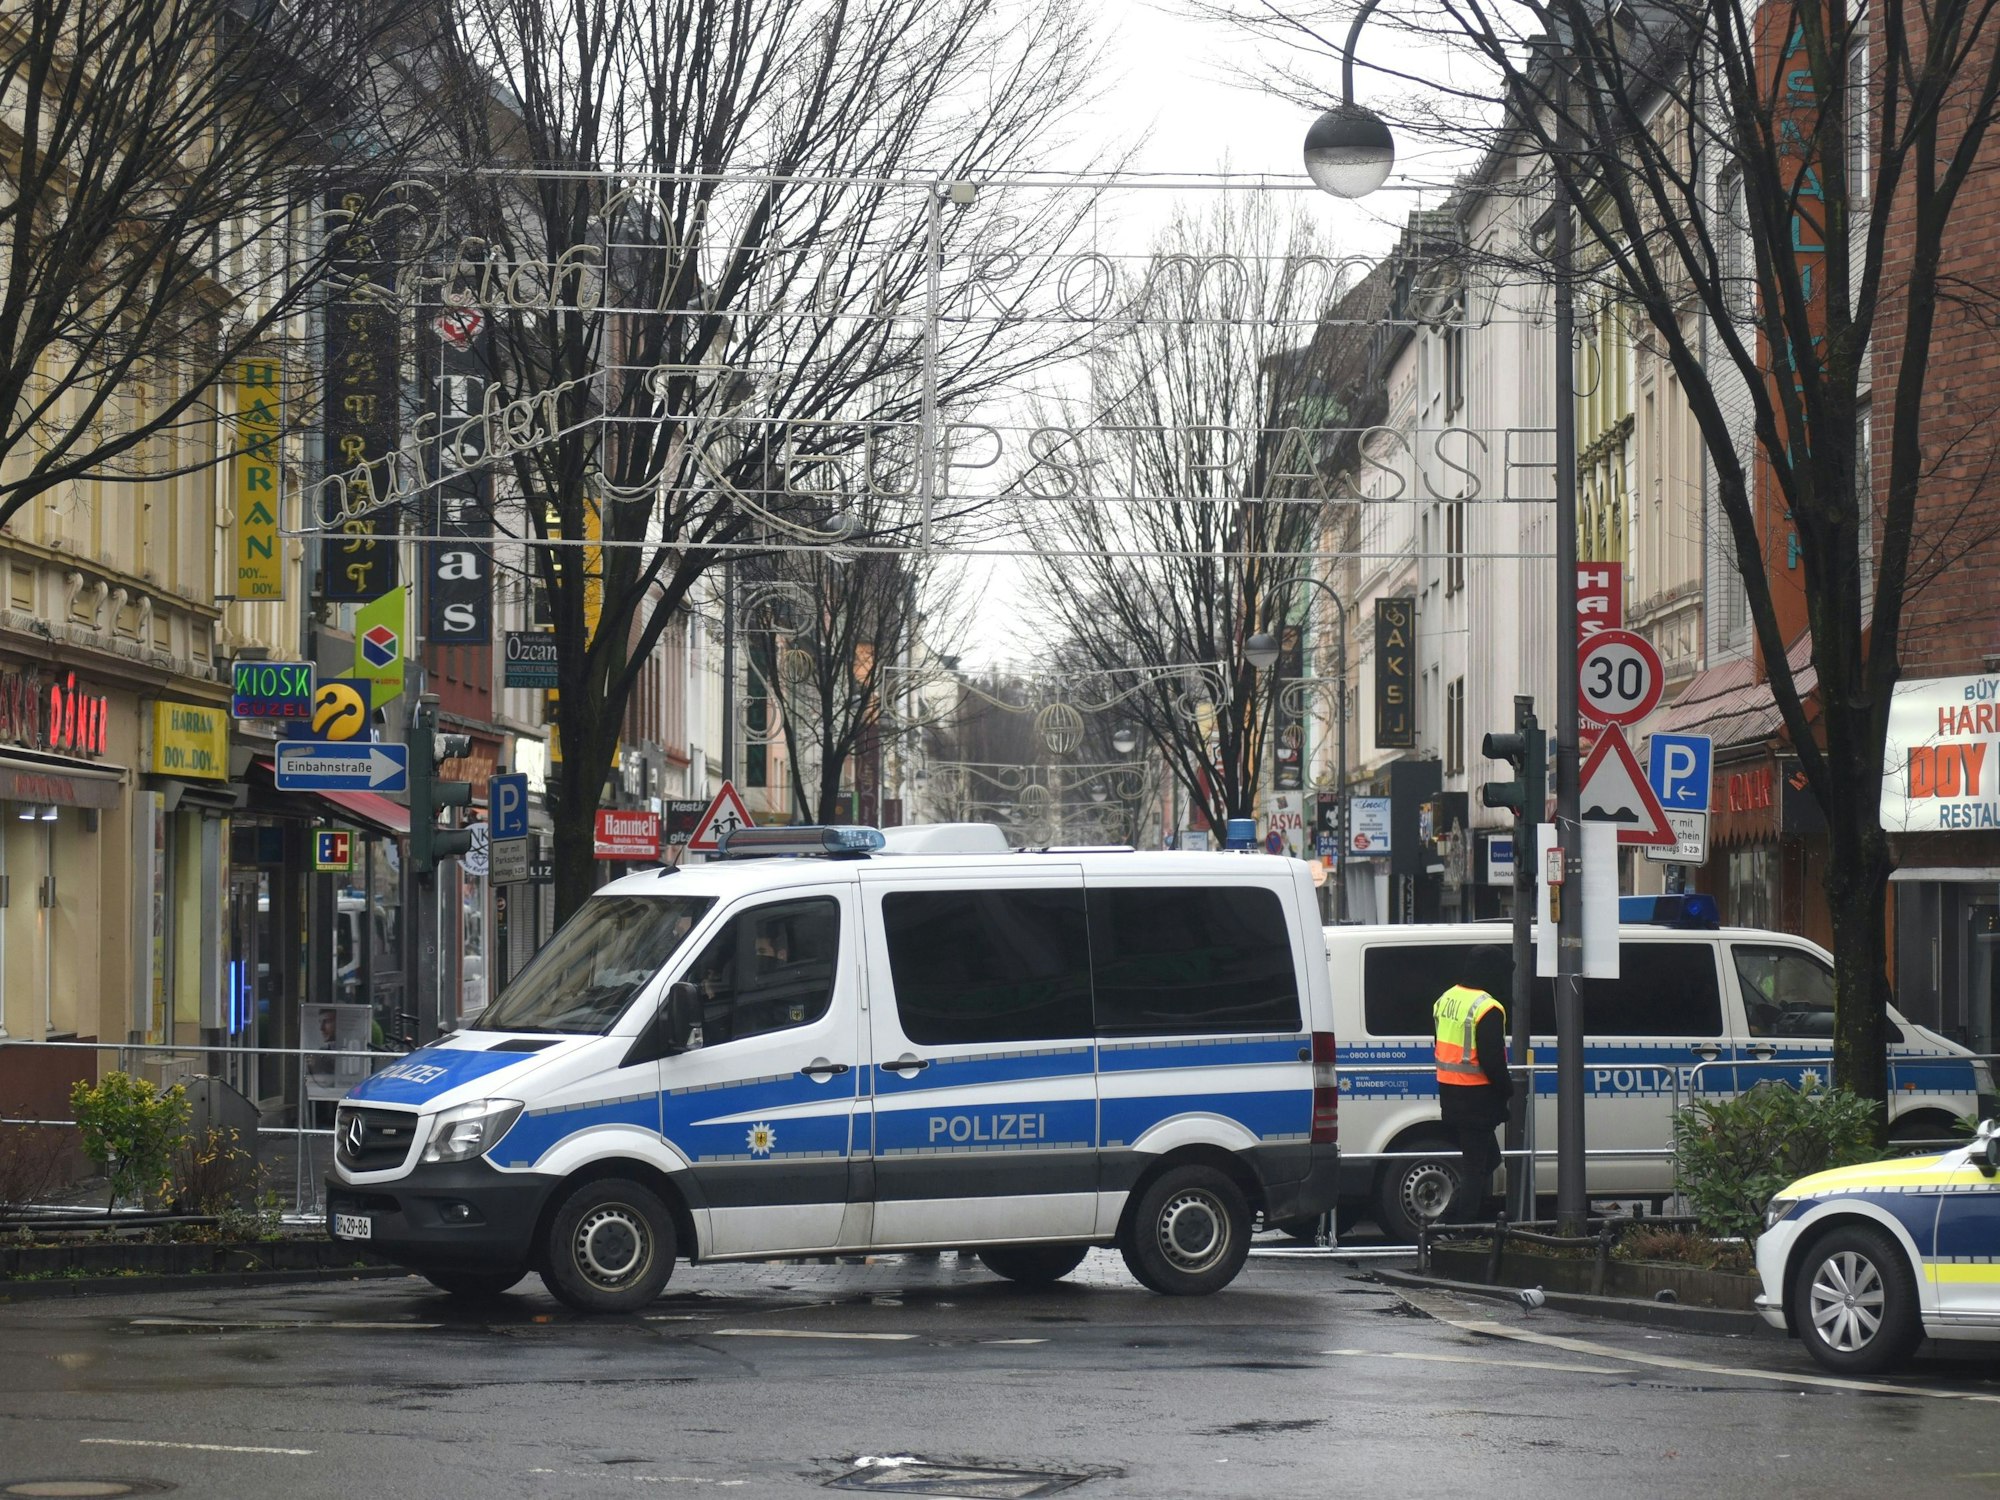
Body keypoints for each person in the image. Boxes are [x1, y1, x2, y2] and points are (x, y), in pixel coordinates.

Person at [1433, 946, 1514, 1222]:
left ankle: (1454, 1221)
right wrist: (1509, 1090)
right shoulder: (1487, 1007)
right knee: (1474, 1168)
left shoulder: (1446, 998)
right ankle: (1457, 1229)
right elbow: (1493, 1061)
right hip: (1477, 1098)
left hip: (1451, 1094)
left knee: (1488, 1161)